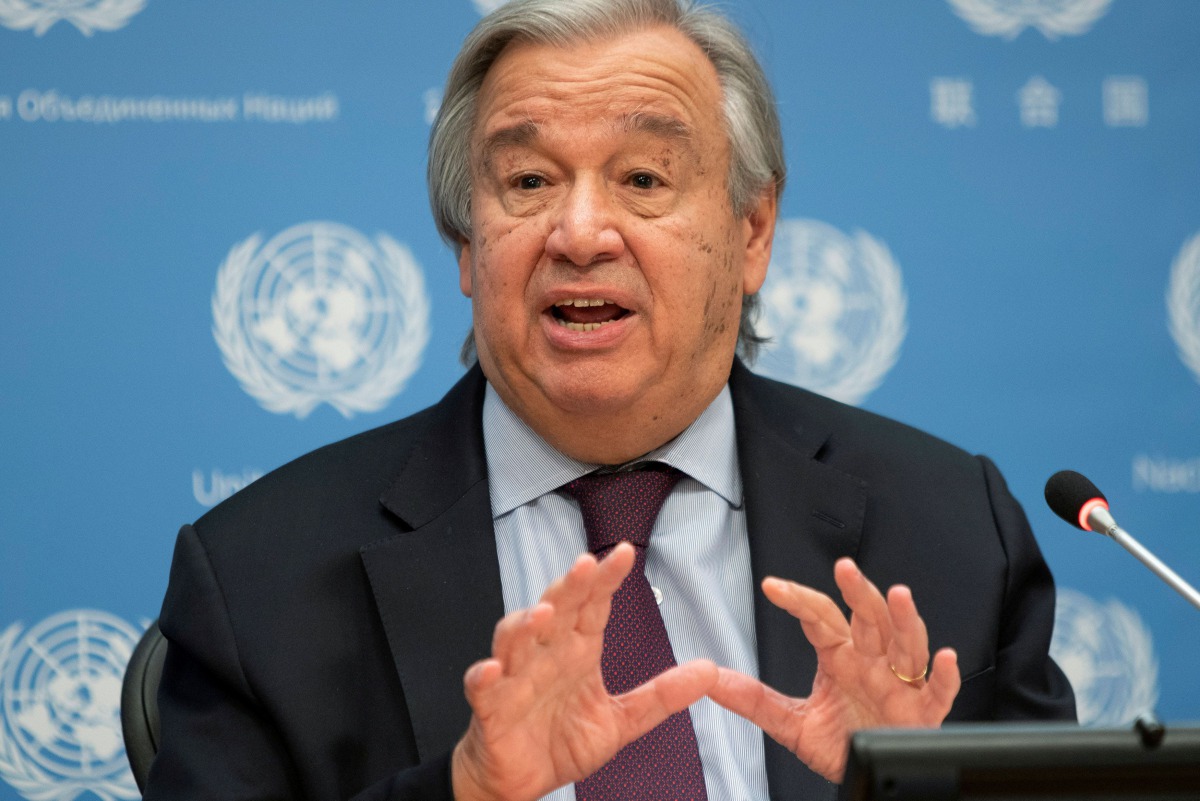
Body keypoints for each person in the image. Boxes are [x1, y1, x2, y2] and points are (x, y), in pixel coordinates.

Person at [144, 1, 1076, 799]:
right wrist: (466, 789)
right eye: (529, 181)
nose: (580, 231)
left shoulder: (953, 533)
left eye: (642, 179)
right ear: (468, 247)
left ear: (752, 231)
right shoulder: (259, 582)